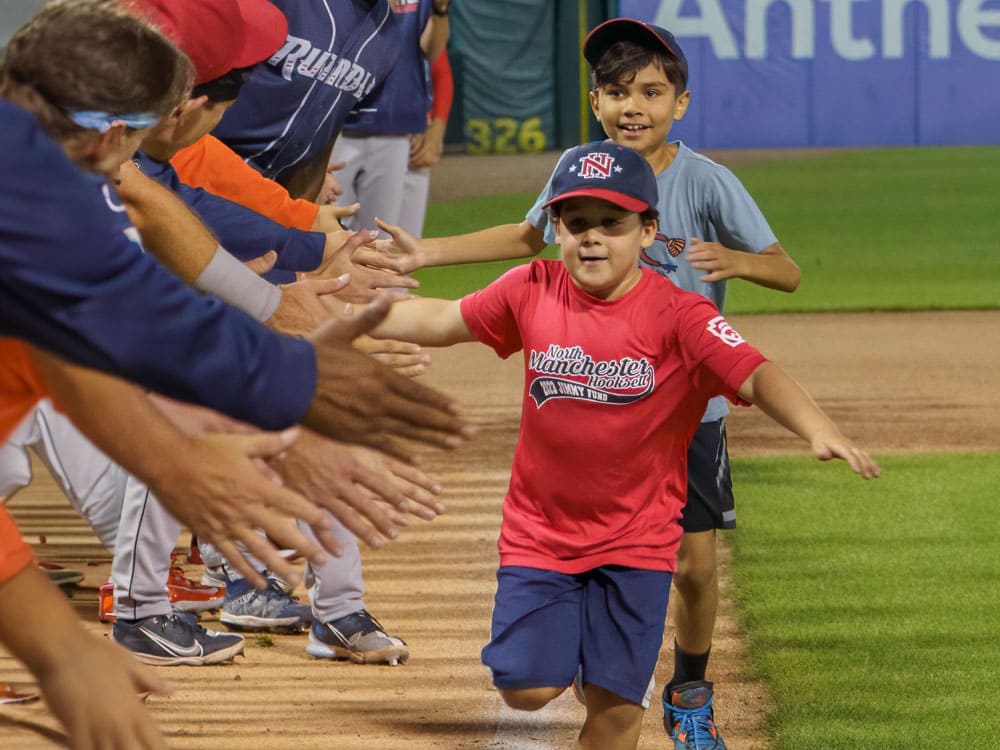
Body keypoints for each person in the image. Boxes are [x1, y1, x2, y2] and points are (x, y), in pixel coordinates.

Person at [368, 140, 878, 750]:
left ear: (648, 231)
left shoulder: (680, 314)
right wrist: (328, 314)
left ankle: (606, 668)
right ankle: (580, 656)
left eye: (613, 224)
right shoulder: (533, 286)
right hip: (542, 534)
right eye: (576, 223)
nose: (592, 238)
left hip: (638, 541)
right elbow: (442, 319)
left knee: (614, 709)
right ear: (555, 226)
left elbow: (755, 372)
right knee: (524, 686)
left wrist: (818, 427)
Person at [214, 0, 409, 200]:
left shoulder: (389, 39)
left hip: (269, 193)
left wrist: (302, 216)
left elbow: (324, 133)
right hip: (202, 163)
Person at [330, 0, 449, 235]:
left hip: (397, 128)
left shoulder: (422, 6)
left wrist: (436, 125)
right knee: (328, 235)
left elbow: (435, 59)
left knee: (389, 242)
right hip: (336, 128)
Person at [396, 47, 453, 238]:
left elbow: (441, 71)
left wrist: (436, 130)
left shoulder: (421, 17)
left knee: (407, 242)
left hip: (416, 137)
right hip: (353, 133)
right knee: (351, 234)